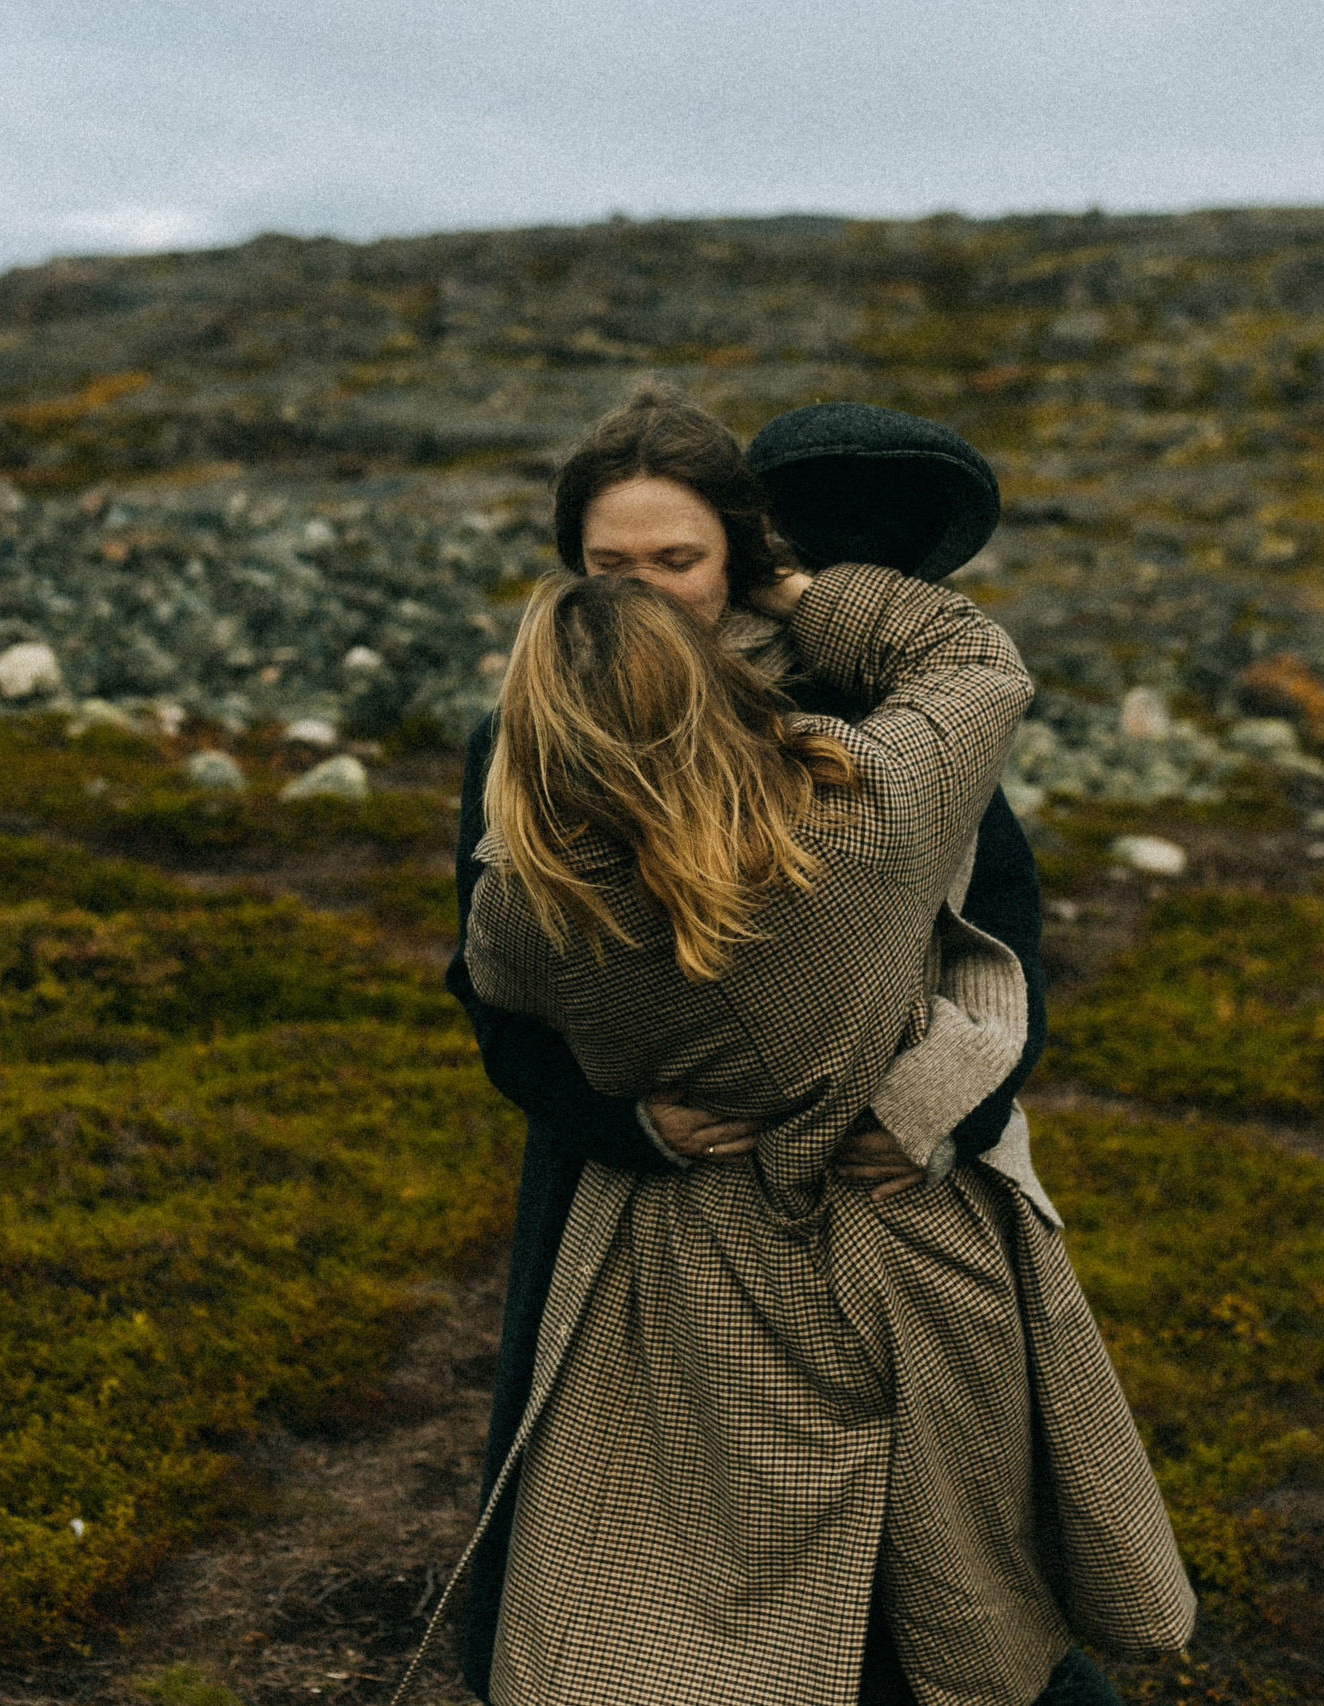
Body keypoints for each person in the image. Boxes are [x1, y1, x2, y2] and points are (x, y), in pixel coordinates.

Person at [437, 390, 1194, 1705]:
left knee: (941, 1556)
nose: (643, 591)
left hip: (889, 1183)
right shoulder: (536, 740)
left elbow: (997, 936)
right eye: (608, 567)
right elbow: (497, 1003)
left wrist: (938, 1105)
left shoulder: (859, 723)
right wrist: (625, 1121)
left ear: (737, 557)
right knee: (668, 1553)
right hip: (649, 1201)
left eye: (674, 561)